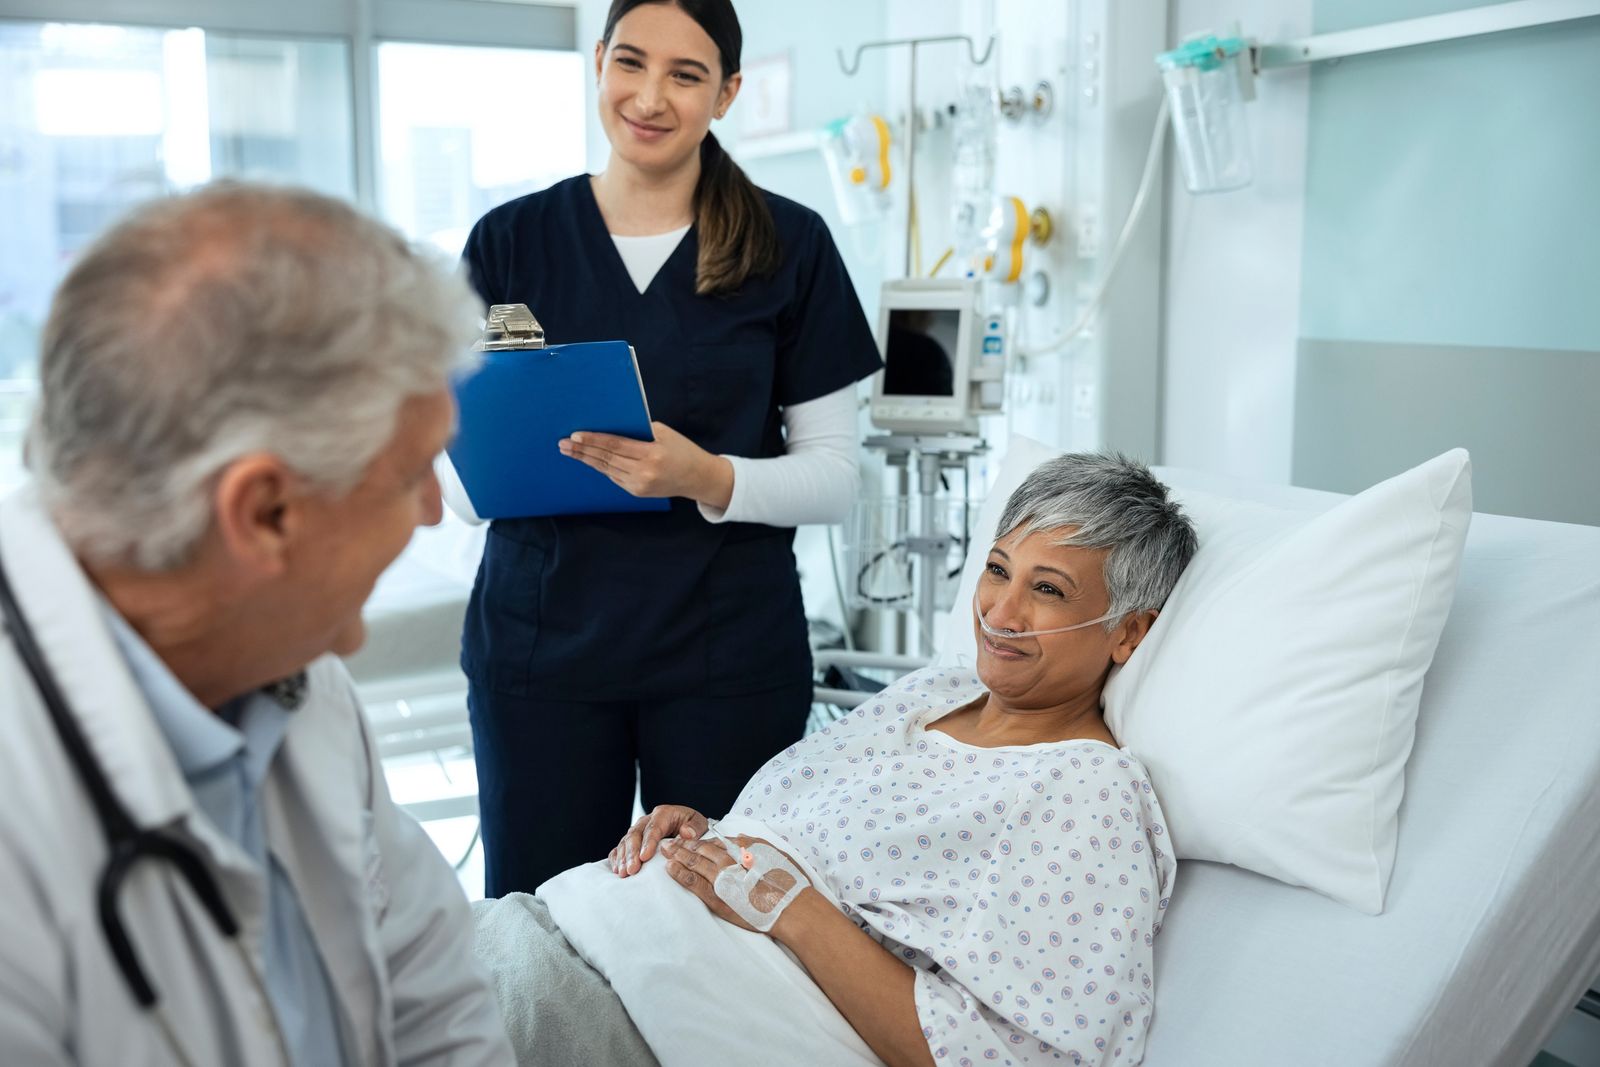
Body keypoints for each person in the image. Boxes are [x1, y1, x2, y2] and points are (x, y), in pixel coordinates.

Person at [0, 183, 515, 1065]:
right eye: (410, 474)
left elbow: (436, 997)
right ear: (266, 513)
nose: (435, 509)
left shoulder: (293, 673)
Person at [472, 453, 1198, 1067]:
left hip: (650, 1016)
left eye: (1047, 590)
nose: (1000, 612)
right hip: (579, 928)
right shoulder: (934, 694)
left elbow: (1021, 1053)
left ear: (1128, 632)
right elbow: (798, 846)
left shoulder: (1085, 790)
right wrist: (708, 838)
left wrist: (790, 908)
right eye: (998, 570)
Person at [454, 0, 882, 897]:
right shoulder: (509, 241)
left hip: (724, 656)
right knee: (544, 926)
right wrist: (485, 455)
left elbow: (837, 479)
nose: (650, 97)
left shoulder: (788, 244)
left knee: (724, 925)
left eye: (686, 75)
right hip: (543, 653)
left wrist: (705, 475)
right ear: (600, 61)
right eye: (632, 64)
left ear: (725, 93)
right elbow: (454, 469)